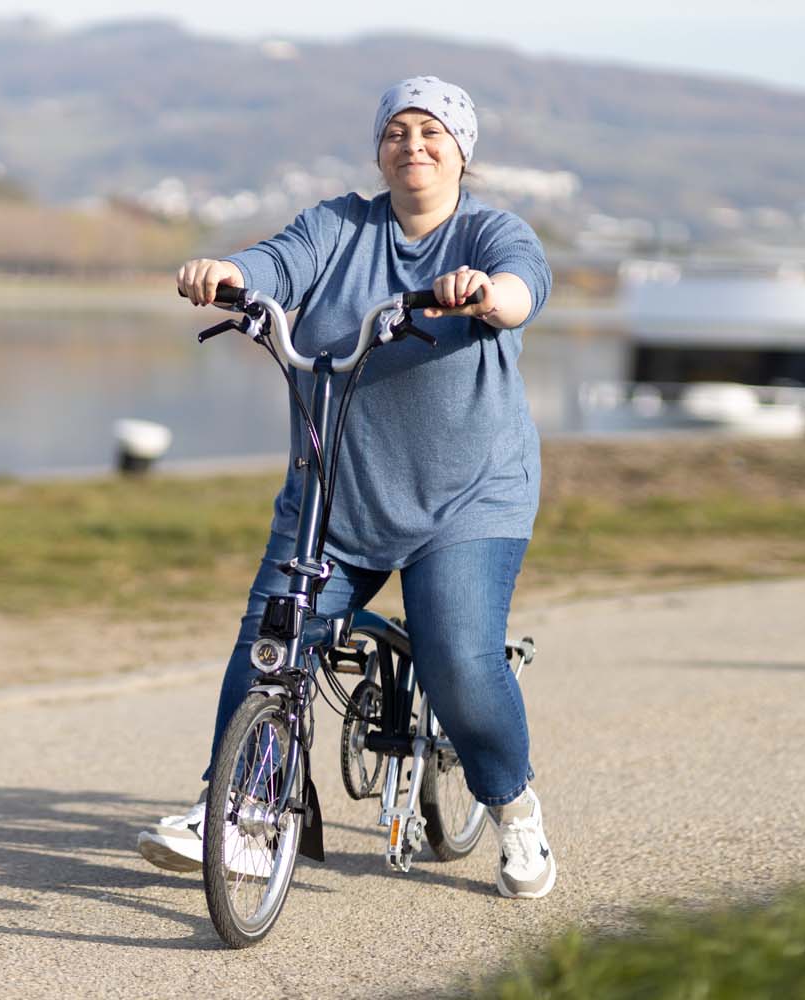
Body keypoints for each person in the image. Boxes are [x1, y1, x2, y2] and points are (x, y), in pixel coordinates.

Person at [136, 76, 556, 900]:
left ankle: (513, 810)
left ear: (462, 150)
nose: (414, 146)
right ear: (379, 149)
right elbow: (276, 264)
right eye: (397, 131)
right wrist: (230, 274)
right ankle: (238, 816)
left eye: (433, 132)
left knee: (460, 662)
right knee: (272, 636)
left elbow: (522, 286)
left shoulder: (490, 230)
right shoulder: (338, 226)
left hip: (468, 500)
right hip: (335, 499)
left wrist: (485, 297)